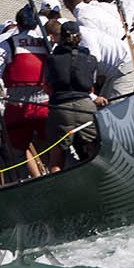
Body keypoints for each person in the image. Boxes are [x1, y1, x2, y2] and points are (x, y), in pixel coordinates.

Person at [0, 5, 51, 179]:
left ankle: (23, 181)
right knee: (56, 143)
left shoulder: (9, 44)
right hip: (44, 103)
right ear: (35, 24)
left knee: (15, 150)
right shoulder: (46, 44)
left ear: (19, 25)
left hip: (17, 106)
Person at [41, 19, 104, 172]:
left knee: (57, 156)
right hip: (86, 107)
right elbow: (90, 86)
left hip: (60, 109)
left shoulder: (51, 60)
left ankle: (57, 188)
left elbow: (46, 86)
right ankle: (101, 179)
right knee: (95, 149)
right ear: (79, 37)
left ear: (61, 37)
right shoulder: (90, 59)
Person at [60, 0, 134, 99]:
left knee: (115, 108)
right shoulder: (97, 7)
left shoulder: (82, 18)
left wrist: (93, 80)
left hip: (122, 64)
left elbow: (93, 52)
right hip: (130, 55)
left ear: (65, 1)